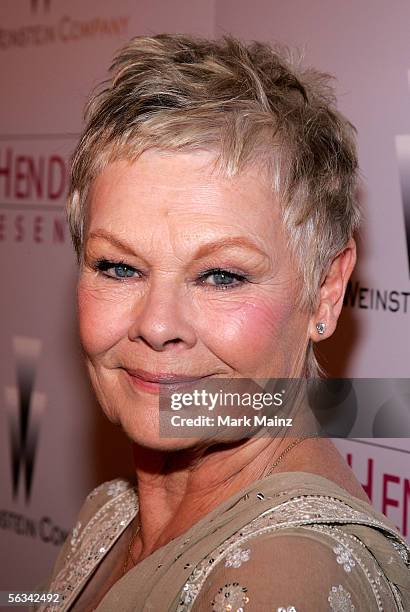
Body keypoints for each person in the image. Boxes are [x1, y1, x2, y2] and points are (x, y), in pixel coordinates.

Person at [36, 34, 410, 611]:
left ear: (326, 292)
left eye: (221, 276)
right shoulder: (109, 514)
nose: (157, 326)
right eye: (119, 266)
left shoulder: (281, 580)